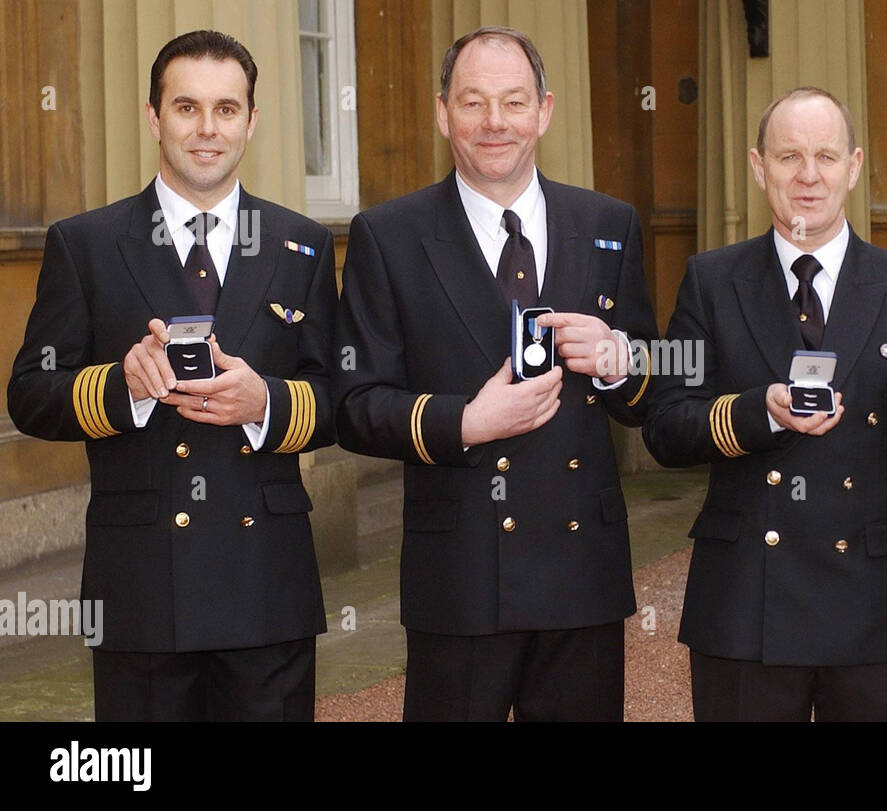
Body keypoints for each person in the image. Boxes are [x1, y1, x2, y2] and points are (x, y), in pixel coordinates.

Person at [331, 26, 657, 722]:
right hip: (461, 577)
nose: (494, 122)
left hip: (582, 580)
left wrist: (619, 360)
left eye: (512, 102)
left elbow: (654, 392)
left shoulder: (610, 224)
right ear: (442, 112)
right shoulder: (388, 236)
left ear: (544, 110)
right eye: (473, 102)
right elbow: (355, 402)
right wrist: (466, 422)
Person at [7, 30, 335, 721]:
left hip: (265, 587)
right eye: (186, 108)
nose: (207, 128)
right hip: (142, 590)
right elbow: (31, 393)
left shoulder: (300, 244)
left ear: (252, 121)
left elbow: (342, 397)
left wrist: (265, 402)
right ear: (155, 119)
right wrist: (119, 386)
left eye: (226, 108)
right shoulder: (87, 244)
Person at [642, 87, 887, 721]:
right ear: (760, 168)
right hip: (746, 604)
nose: (809, 175)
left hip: (877, 607)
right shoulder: (712, 280)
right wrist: (758, 412)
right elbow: (665, 426)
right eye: (790, 156)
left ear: (854, 165)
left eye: (826, 155)